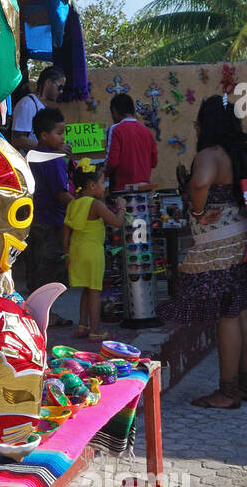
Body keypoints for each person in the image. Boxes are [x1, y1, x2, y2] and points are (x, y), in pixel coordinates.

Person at [158, 95, 247, 408]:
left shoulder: (209, 155)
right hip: (245, 239)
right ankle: (246, 384)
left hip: (219, 243)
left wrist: (197, 210)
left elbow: (200, 184)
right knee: (245, 311)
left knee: (227, 314)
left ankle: (228, 392)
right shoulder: (246, 154)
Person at [13, 108, 74, 325]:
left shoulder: (32, 156)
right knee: (48, 271)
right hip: (50, 222)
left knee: (36, 268)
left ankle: (36, 313)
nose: (63, 138)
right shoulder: (52, 159)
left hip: (34, 220)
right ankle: (46, 316)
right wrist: (83, 207)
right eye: (59, 133)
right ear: (44, 135)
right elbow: (60, 193)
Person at [63, 158, 125, 340]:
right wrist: (121, 206)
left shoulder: (73, 203)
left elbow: (65, 231)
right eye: (101, 182)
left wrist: (67, 253)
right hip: (93, 252)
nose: (104, 186)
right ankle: (95, 330)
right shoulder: (96, 205)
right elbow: (117, 221)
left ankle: (82, 326)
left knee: (86, 289)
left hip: (76, 251)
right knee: (95, 290)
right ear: (91, 185)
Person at [104, 92, 157, 192]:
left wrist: (102, 174)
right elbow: (154, 162)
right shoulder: (146, 131)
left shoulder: (116, 129)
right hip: (144, 188)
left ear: (114, 111)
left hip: (122, 190)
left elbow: (112, 162)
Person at [11, 66, 64, 152]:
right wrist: (48, 149)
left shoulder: (41, 105)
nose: (61, 91)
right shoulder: (28, 104)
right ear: (48, 82)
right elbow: (17, 140)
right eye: (60, 87)